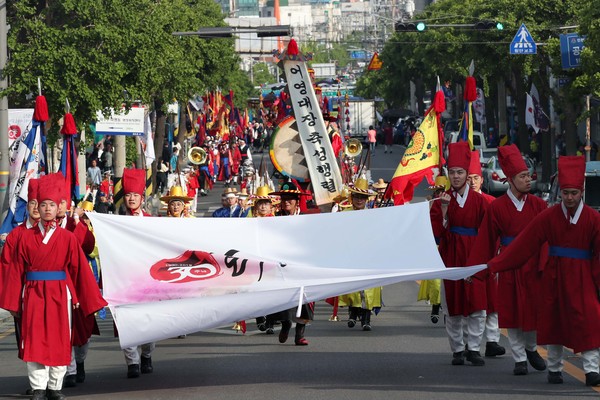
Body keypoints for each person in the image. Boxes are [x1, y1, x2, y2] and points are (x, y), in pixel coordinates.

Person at [488, 156, 600, 386]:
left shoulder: (593, 218)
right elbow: (524, 245)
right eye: (565, 193)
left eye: (574, 193)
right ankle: (555, 368)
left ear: (582, 191)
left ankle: (591, 369)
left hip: (583, 276)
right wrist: (496, 264)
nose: (569, 198)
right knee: (554, 322)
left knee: (589, 321)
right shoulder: (548, 216)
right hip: (554, 275)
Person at [0, 174, 106, 400]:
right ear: (36, 205)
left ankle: (55, 386)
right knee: (34, 339)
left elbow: (79, 271)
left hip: (60, 293)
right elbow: (15, 269)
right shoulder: (24, 237)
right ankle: (38, 387)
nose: (47, 209)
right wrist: (11, 301)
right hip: (33, 292)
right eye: (43, 204)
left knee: (60, 339)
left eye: (52, 204)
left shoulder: (67, 238)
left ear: (58, 206)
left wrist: (88, 299)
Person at [467, 144, 547, 376]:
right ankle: (520, 358)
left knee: (532, 311)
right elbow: (486, 240)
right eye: (522, 177)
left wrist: (546, 265)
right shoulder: (497, 207)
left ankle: (531, 348)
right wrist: (477, 269)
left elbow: (548, 239)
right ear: (510, 180)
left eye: (528, 176)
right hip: (510, 264)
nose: (528, 180)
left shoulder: (539, 205)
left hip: (533, 264)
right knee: (512, 314)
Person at [430, 141, 489, 367]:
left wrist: (487, 261)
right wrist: (444, 209)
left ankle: (474, 348)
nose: (456, 177)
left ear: (467, 174)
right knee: (453, 306)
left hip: (475, 254)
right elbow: (436, 234)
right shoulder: (441, 201)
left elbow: (488, 233)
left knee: (477, 306)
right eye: (452, 172)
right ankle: (457, 349)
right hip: (452, 255)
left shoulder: (480, 201)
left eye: (460, 172)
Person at [266, 182, 314, 345]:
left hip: (301, 265)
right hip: (280, 266)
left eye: (290, 199)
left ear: (296, 201)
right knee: (284, 299)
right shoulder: (274, 220)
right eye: (284, 199)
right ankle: (286, 324)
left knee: (303, 300)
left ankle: (299, 335)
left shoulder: (307, 219)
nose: (286, 202)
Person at [466, 150, 504, 357]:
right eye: (469, 178)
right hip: (467, 255)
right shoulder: (457, 201)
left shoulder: (491, 201)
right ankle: (470, 345)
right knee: (475, 304)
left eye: (475, 178)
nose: (472, 182)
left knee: (494, 302)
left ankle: (492, 340)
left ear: (482, 180)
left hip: (490, 256)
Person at [120, 168, 156, 378]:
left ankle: (147, 355)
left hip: (148, 279)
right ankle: (132, 362)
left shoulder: (151, 221)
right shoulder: (114, 222)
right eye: (128, 195)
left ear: (142, 198)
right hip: (124, 279)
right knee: (127, 322)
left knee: (149, 322)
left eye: (135, 195)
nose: (131, 199)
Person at [338, 178, 382, 331]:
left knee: (368, 288)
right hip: (350, 256)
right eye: (356, 196)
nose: (358, 200)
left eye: (362, 197)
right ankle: (352, 312)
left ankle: (366, 319)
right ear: (352, 198)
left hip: (368, 257)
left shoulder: (374, 215)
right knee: (353, 288)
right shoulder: (344, 214)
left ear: (366, 199)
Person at [418, 175, 448, 324]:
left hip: (450, 246)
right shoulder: (430, 204)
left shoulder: (452, 203)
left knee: (449, 282)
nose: (439, 194)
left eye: (441, 190)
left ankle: (447, 312)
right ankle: (436, 307)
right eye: (437, 191)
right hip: (435, 246)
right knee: (436, 282)